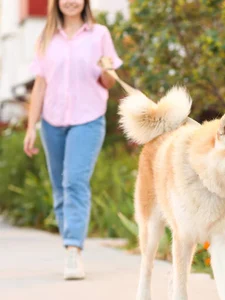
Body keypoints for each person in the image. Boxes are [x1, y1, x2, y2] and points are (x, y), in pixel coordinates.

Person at [23, 0, 122, 280]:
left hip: (88, 119)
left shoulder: (99, 34)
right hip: (52, 120)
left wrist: (106, 70)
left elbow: (109, 82)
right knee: (59, 186)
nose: (70, 2)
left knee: (74, 182)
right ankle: (71, 242)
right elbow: (40, 84)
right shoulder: (45, 37)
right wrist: (31, 126)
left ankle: (73, 249)